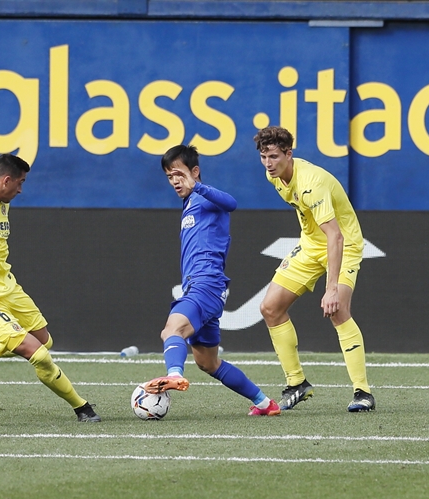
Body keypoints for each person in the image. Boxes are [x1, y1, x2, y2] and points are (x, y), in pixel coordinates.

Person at [0, 154, 101, 422]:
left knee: (45, 340)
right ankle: (82, 407)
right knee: (38, 355)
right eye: (20, 183)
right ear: (6, 180)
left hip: (8, 288)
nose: (21, 190)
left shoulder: (2, 202)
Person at [142, 145, 281, 416]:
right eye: (170, 177)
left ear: (194, 172)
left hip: (207, 283)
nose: (175, 181)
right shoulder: (190, 205)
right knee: (208, 362)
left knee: (172, 331)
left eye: (179, 174)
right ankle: (265, 404)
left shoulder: (206, 198)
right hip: (204, 286)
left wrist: (197, 186)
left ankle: (173, 374)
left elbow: (231, 203)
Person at [253, 126, 374, 412]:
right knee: (270, 308)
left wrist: (331, 288)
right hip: (310, 245)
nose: (268, 163)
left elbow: (336, 236)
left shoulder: (311, 183)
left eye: (273, 156)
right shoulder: (275, 177)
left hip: (344, 244)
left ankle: (363, 392)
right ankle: (297, 384)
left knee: (338, 310)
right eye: (263, 156)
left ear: (288, 154)